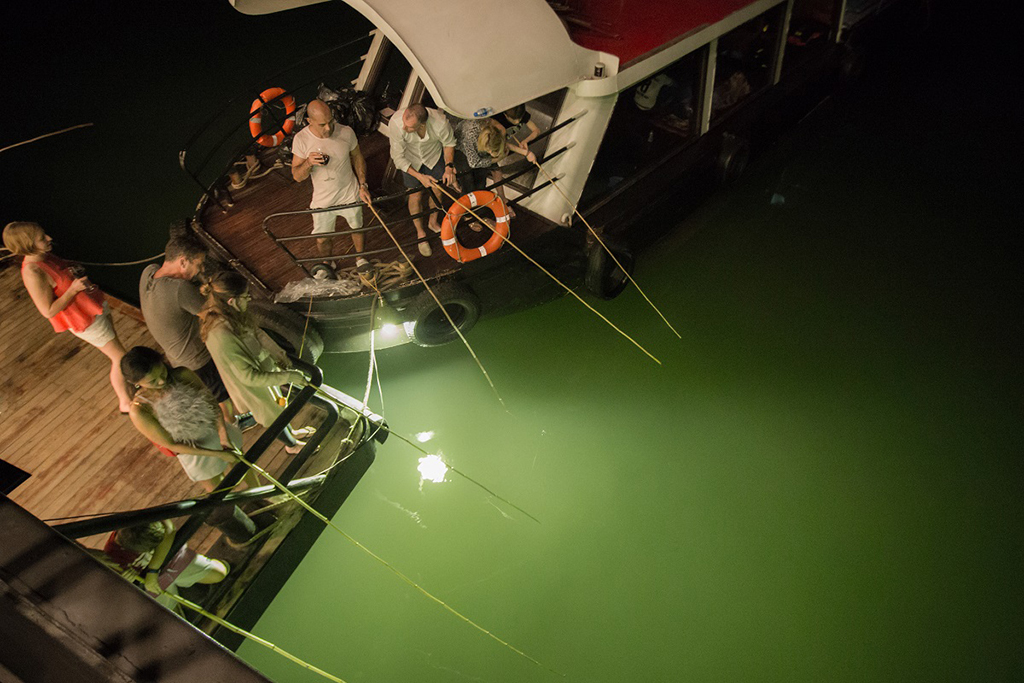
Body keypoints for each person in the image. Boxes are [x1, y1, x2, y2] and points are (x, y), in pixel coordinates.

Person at [3, 221, 132, 413]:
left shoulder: (45, 255)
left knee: (119, 351)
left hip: (93, 305)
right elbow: (48, 311)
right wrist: (73, 290)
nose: (49, 238)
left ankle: (131, 381)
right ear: (28, 245)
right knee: (120, 357)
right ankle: (125, 402)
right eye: (42, 238)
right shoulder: (33, 272)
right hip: (84, 319)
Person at [198, 271, 311, 455]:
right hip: (251, 387)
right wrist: (289, 376)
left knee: (277, 406)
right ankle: (291, 445)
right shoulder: (220, 334)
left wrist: (278, 354)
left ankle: (292, 432)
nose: (249, 299)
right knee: (271, 416)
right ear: (232, 301)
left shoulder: (231, 314)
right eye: (245, 297)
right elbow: (249, 377)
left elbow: (256, 332)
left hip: (262, 371)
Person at [139, 233, 235, 425]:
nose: (201, 270)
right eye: (199, 264)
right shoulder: (179, 289)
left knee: (211, 395)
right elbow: (212, 313)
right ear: (183, 262)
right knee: (222, 398)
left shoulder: (148, 272)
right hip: (197, 358)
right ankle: (233, 424)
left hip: (176, 358)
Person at [290, 99, 373, 280]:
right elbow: (297, 176)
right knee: (322, 238)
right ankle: (327, 263)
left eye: (331, 121)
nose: (328, 128)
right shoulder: (301, 140)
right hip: (323, 197)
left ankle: (360, 259)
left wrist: (363, 184)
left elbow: (357, 157)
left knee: (357, 227)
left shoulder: (346, 132)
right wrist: (308, 162)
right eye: (322, 125)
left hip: (349, 191)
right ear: (309, 121)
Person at [99, 519, 229, 612]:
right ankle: (183, 593)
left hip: (167, 560)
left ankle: (187, 584)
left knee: (220, 574)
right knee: (171, 615)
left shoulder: (141, 520)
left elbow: (169, 530)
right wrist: (124, 584)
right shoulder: (111, 559)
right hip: (149, 585)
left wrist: (153, 570)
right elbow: (110, 598)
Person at [387, 103, 458, 257]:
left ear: (422, 124)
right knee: (415, 195)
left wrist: (448, 167)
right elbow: (397, 158)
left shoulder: (440, 123)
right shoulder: (396, 123)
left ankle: (433, 222)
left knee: (437, 190)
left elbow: (449, 143)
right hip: (410, 161)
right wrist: (420, 177)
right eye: (404, 123)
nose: (404, 128)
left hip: (433, 156)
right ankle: (420, 232)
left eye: (410, 127)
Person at [453, 119, 535, 227]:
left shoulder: (495, 133)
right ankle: (468, 217)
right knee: (468, 184)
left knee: (481, 183)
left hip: (479, 150)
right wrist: (497, 159)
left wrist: (526, 153)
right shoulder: (470, 136)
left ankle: (480, 214)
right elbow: (474, 163)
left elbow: (505, 145)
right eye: (491, 151)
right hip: (461, 151)